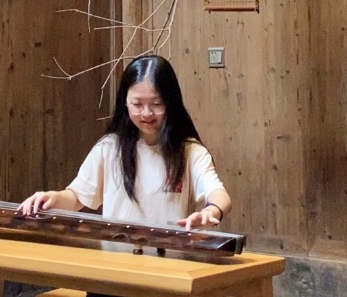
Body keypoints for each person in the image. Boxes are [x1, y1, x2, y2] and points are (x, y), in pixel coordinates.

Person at [19, 55, 231, 231]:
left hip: (170, 260)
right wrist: (52, 198)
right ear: (125, 102)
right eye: (137, 104)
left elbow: (220, 195)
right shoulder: (109, 148)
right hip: (117, 258)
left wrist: (210, 211)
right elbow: (77, 197)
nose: (146, 113)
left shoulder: (190, 151)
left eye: (156, 104)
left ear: (170, 103)